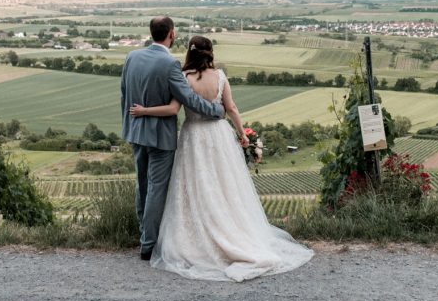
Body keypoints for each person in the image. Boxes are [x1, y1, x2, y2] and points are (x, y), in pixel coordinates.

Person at [130, 35, 314, 282]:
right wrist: (243, 134)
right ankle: (231, 230)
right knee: (224, 186)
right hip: (218, 136)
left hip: (192, 137)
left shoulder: (183, 78)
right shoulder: (221, 77)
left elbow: (174, 109)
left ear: (190, 54)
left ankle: (196, 236)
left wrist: (143, 111)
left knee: (194, 187)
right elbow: (232, 108)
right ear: (210, 53)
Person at [121, 16, 226, 261]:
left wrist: (130, 125)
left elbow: (124, 95)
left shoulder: (131, 57)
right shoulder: (170, 64)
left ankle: (143, 234)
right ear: (171, 33)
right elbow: (189, 99)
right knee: (156, 189)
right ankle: (148, 245)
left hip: (136, 132)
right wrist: (216, 111)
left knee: (142, 185)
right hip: (160, 138)